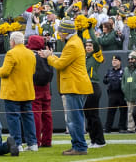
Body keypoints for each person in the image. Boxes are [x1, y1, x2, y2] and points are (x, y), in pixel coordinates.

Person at [37, 17, 92, 156]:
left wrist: (49, 56)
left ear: (66, 32)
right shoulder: (74, 42)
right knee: (74, 118)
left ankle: (79, 147)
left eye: (61, 32)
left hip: (75, 86)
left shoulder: (72, 44)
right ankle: (77, 145)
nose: (59, 34)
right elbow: (63, 61)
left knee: (74, 119)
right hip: (76, 85)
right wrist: (50, 55)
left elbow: (60, 64)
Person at [0, 31, 36, 152]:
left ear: (13, 42)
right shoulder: (31, 53)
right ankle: (33, 143)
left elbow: (4, 72)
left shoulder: (11, 53)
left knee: (13, 118)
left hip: (13, 92)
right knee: (28, 117)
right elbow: (33, 71)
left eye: (10, 41)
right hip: (27, 90)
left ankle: (17, 144)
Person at [26, 35, 53, 149]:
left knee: (35, 114)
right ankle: (47, 140)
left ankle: (35, 140)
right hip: (46, 86)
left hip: (34, 86)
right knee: (47, 114)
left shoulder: (30, 56)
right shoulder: (47, 55)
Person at [83, 39, 106, 148]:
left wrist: (90, 29)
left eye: (90, 45)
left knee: (93, 115)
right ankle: (93, 140)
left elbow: (97, 45)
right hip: (85, 87)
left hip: (93, 86)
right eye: (87, 45)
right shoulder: (84, 57)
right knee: (88, 115)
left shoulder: (96, 56)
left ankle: (100, 141)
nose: (88, 47)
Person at [104, 55, 127, 134]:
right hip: (112, 94)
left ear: (120, 62)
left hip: (121, 94)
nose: (114, 61)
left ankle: (122, 128)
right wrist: (108, 79)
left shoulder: (124, 70)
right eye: (113, 60)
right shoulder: (109, 71)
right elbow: (104, 81)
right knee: (110, 112)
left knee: (123, 112)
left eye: (116, 60)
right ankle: (107, 128)